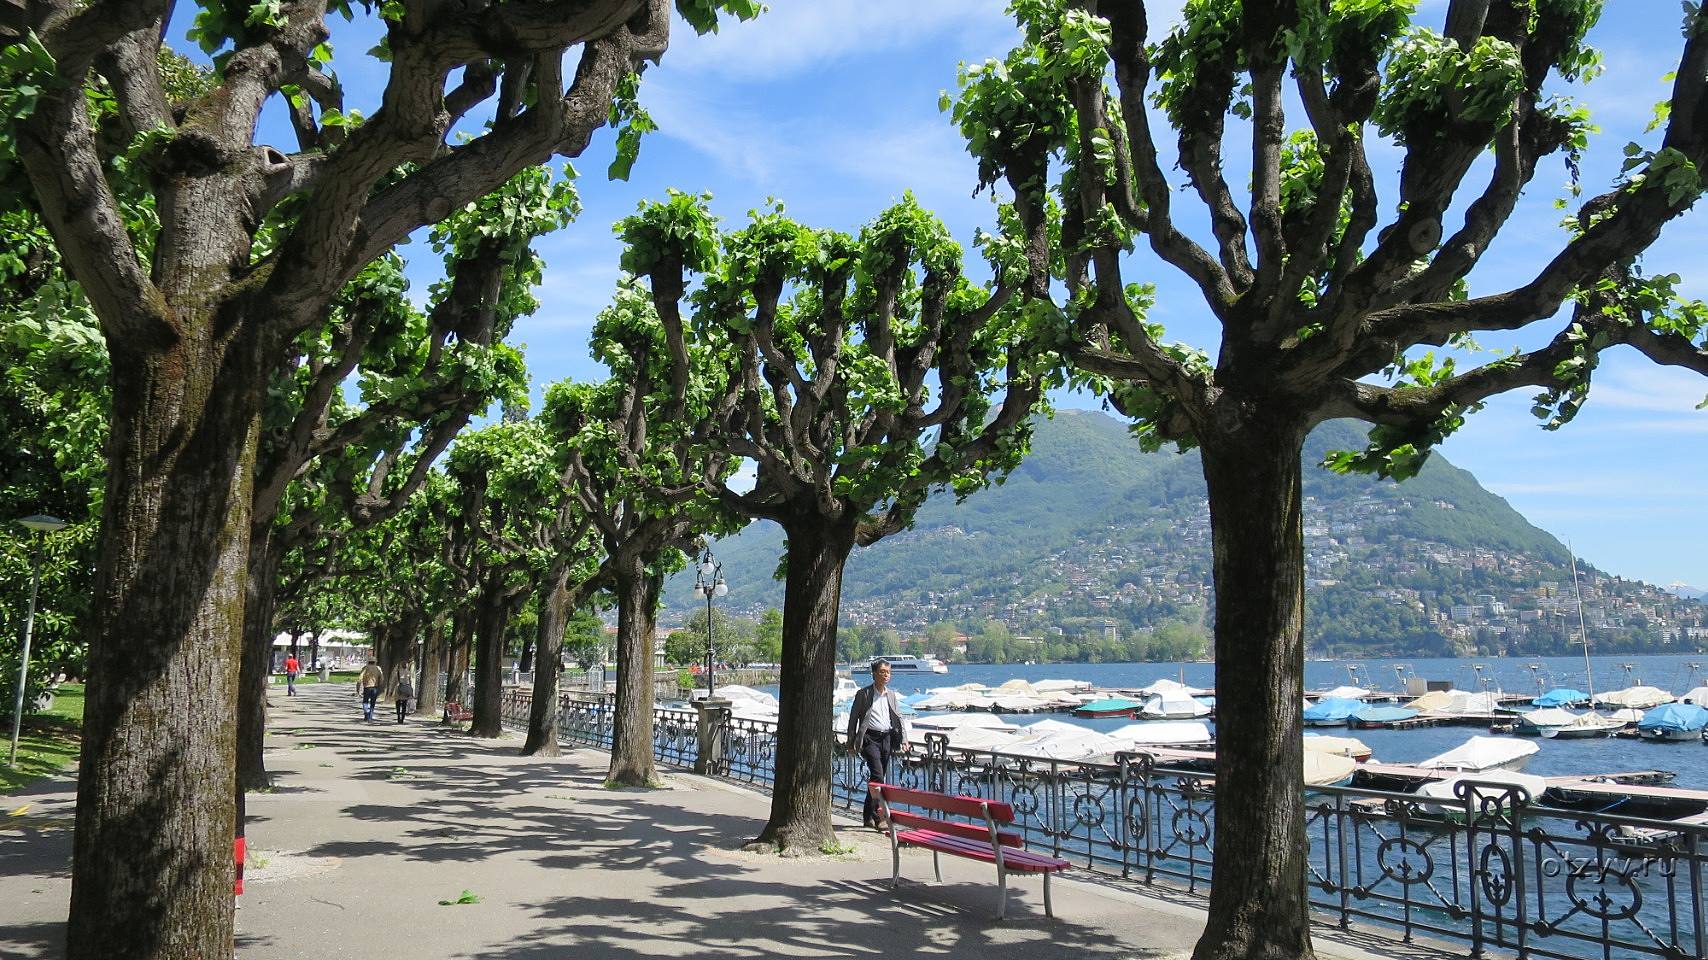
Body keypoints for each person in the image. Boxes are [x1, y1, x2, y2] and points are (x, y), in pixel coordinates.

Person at [845, 661, 909, 830]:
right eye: (882, 671)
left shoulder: (891, 695)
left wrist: (904, 739)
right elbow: (853, 720)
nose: (885, 675)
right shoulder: (864, 694)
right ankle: (878, 817)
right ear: (874, 673)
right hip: (869, 738)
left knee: (877, 779)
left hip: (887, 738)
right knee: (878, 776)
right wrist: (851, 742)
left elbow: (898, 718)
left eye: (888, 672)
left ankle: (867, 815)